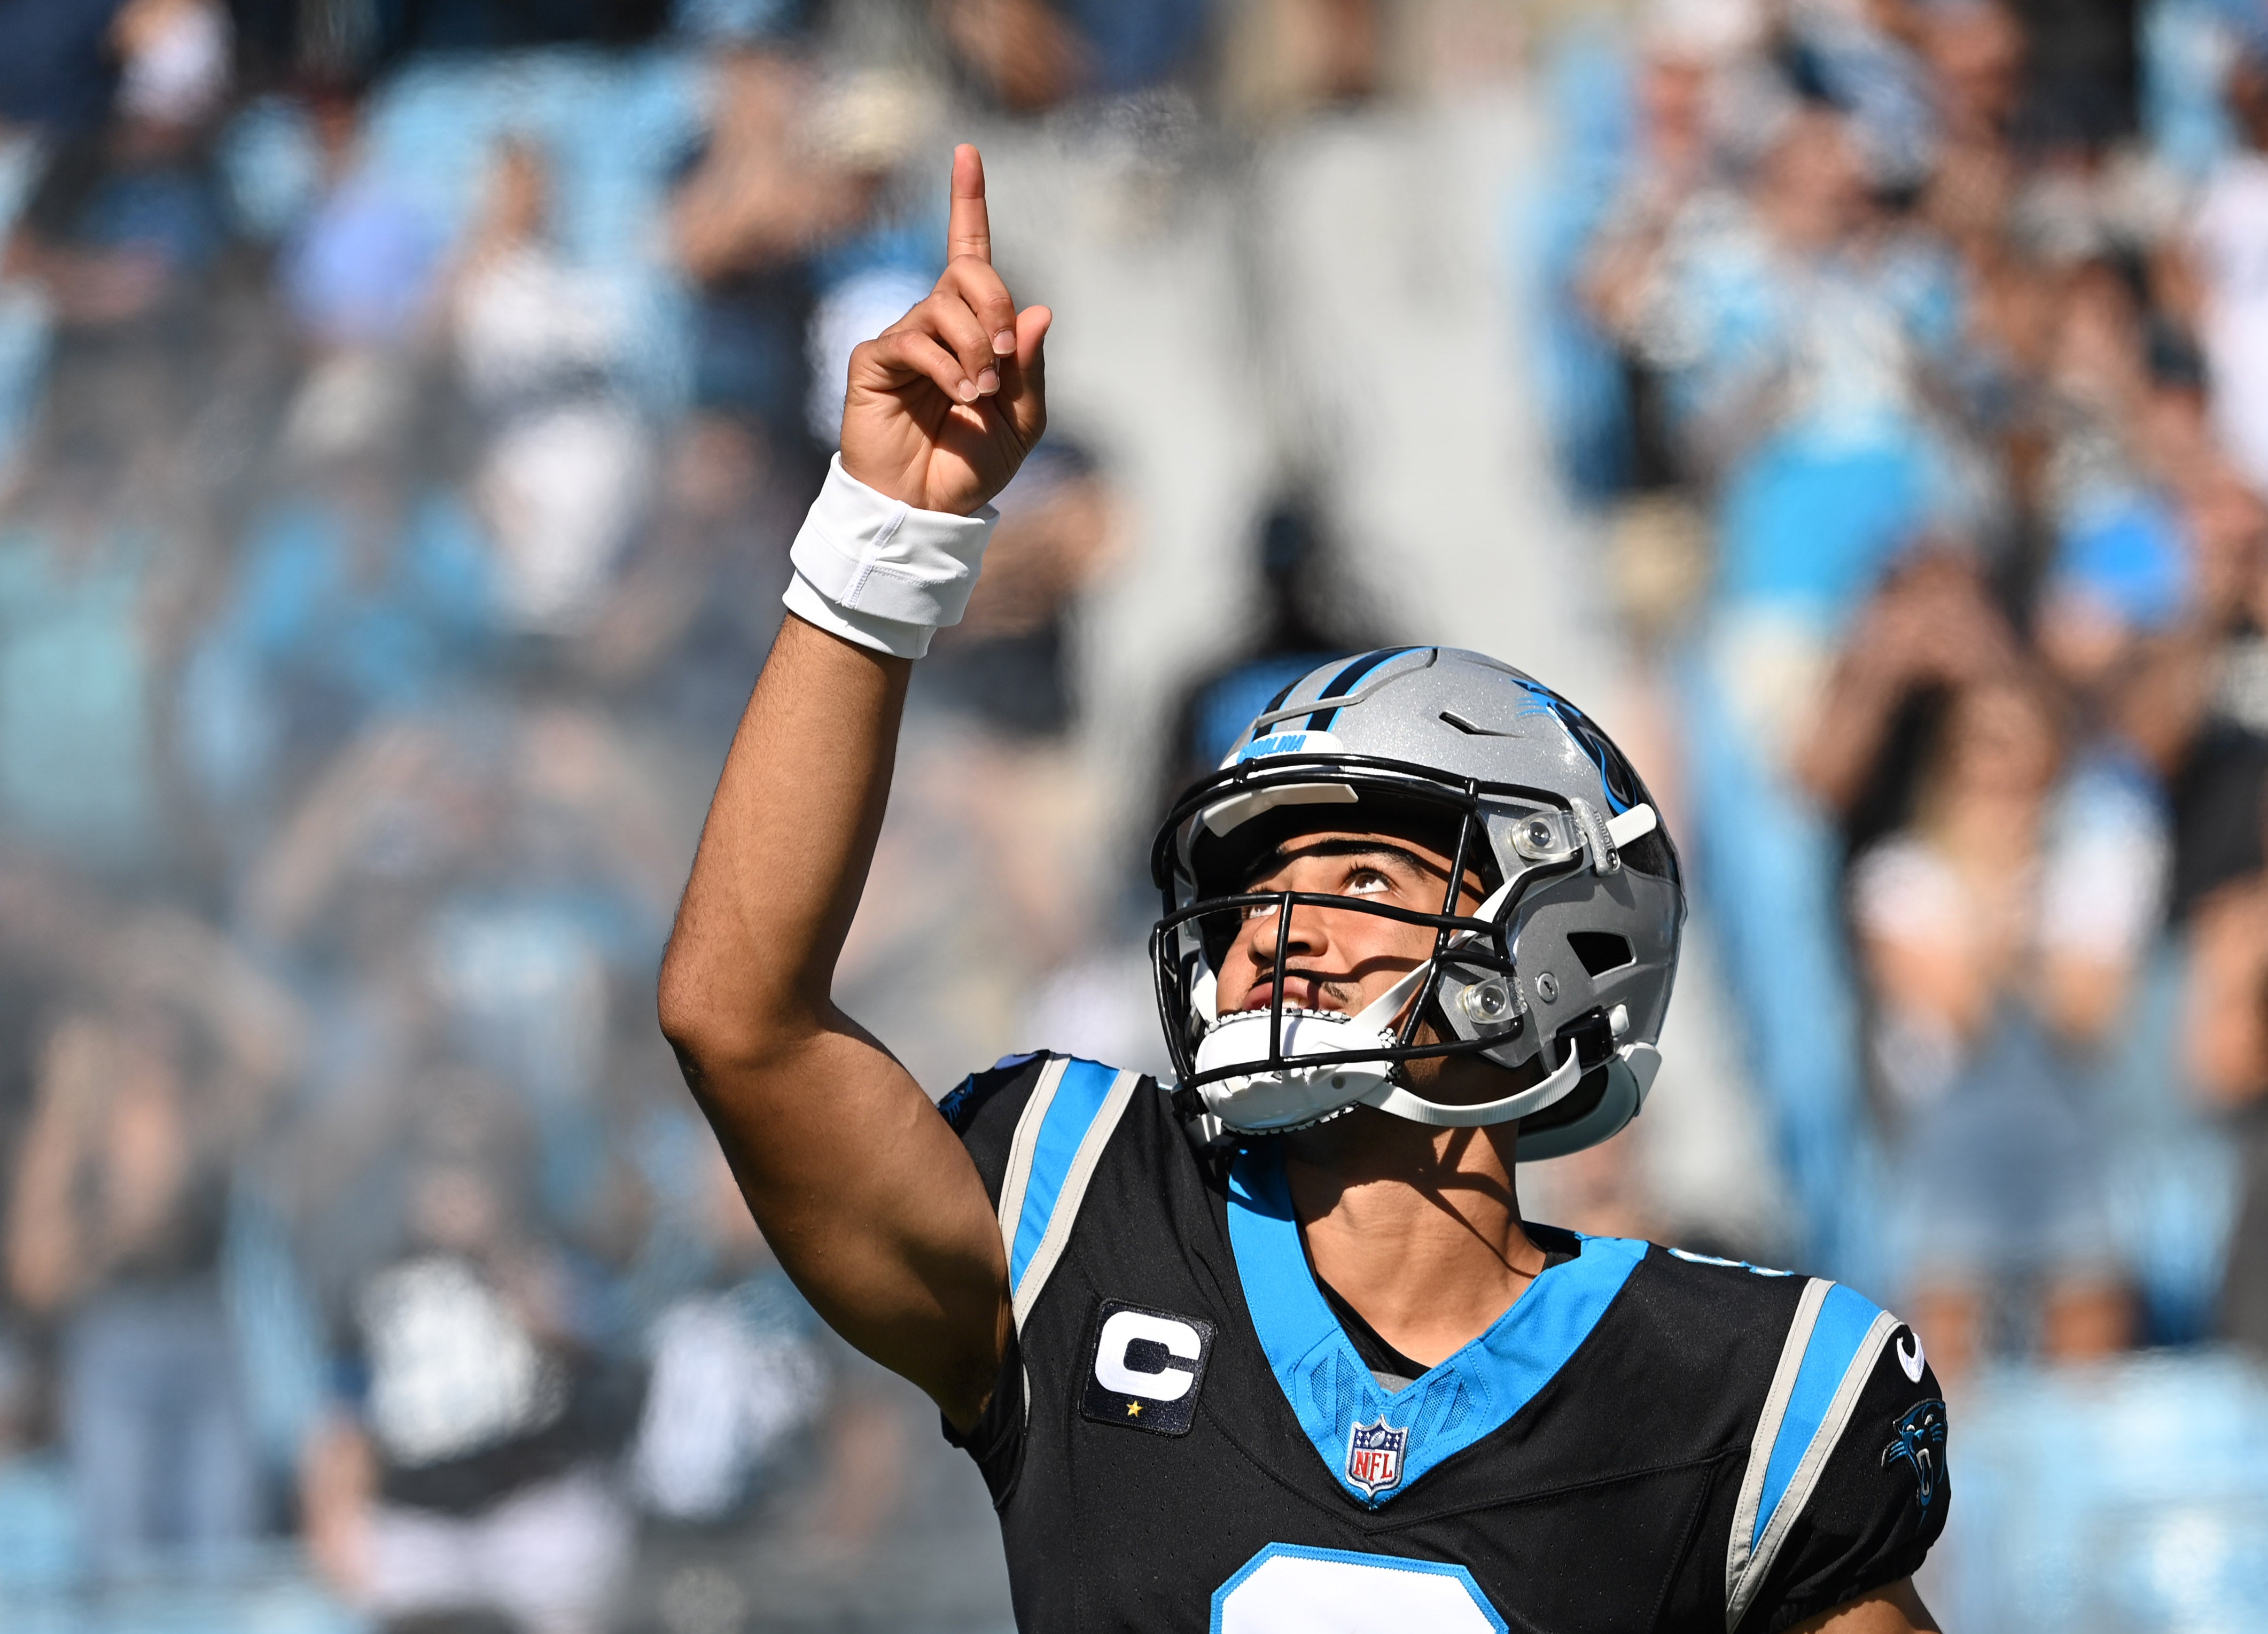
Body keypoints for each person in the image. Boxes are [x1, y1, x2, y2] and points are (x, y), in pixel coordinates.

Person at [659, 146, 1949, 1632]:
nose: (1276, 925)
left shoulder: (1737, 1397)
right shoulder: (1076, 1220)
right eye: (1256, 879)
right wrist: (887, 536)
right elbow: (736, 1017)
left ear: (1560, 940)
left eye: (1354, 870)